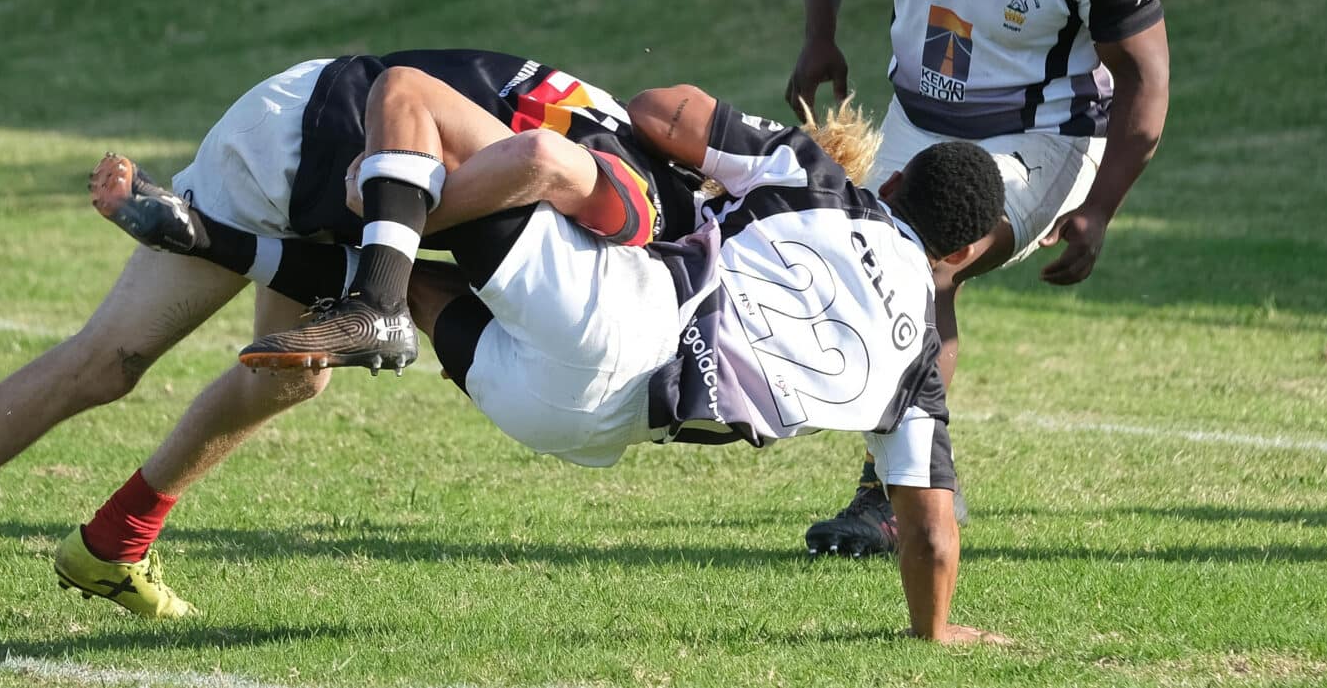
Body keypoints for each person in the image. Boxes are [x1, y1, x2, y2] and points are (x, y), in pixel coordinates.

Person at [0, 50, 702, 654]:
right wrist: (366, 234)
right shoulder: (637, 208)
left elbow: (408, 232)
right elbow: (505, 178)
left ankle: (114, 543)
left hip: (334, 145)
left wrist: (327, 235)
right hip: (303, 138)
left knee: (294, 374)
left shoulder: (626, 142)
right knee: (109, 361)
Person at [100, 76, 1009, 644]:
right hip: (578, 424)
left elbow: (661, 110)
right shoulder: (919, 367)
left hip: (614, 316)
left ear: (893, 183)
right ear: (962, 255)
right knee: (418, 274)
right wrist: (936, 631)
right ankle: (221, 241)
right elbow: (929, 532)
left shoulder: (824, 183)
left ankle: (357, 256)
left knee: (410, 106)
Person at [785, 0, 1170, 557]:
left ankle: (892, 498)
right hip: (918, 120)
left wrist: (1101, 210)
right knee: (858, 268)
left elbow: (1147, 83)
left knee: (924, 266)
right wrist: (820, 33)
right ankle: (921, 479)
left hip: (1042, 136)